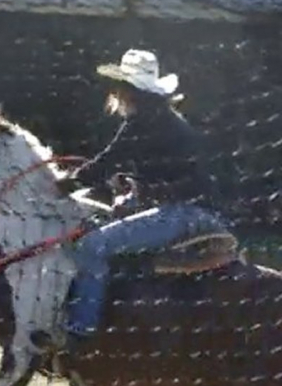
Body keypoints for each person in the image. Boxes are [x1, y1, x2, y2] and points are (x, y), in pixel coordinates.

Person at [61, 49, 229, 349]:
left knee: (91, 245)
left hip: (184, 215)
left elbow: (105, 163)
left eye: (118, 86)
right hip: (195, 211)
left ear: (129, 90)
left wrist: (63, 182)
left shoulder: (141, 122)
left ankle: (80, 331)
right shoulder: (163, 119)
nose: (114, 92)